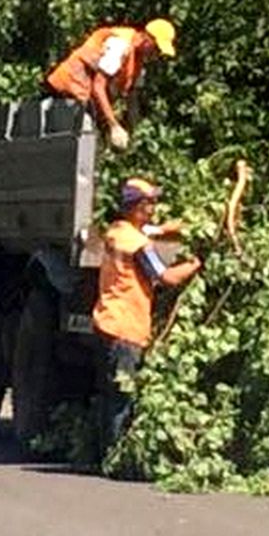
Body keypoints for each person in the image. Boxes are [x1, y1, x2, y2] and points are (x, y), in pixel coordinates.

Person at [92, 177, 202, 453]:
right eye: (149, 202)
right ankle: (115, 454)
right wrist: (196, 263)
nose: (153, 207)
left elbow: (155, 229)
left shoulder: (116, 231)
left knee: (110, 392)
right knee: (123, 396)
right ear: (135, 206)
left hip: (108, 321)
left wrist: (178, 227)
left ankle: (104, 449)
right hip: (127, 327)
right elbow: (166, 278)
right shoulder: (138, 244)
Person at [44, 19, 177, 150]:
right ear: (147, 38)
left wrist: (132, 130)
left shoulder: (138, 61)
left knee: (90, 145)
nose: (157, 55)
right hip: (65, 95)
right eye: (157, 48)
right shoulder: (120, 46)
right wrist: (113, 125)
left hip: (83, 103)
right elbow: (98, 87)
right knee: (80, 141)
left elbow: (132, 97)